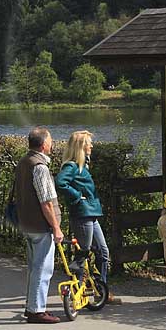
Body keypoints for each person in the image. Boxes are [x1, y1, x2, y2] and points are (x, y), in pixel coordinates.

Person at [55, 130, 121, 305]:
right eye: (88, 143)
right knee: (83, 254)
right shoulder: (71, 166)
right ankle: (79, 290)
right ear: (80, 146)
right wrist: (76, 196)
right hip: (83, 215)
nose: (91, 145)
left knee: (103, 251)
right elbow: (60, 183)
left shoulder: (83, 165)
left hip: (90, 214)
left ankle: (101, 290)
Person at [14, 126, 63, 324]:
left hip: (26, 222)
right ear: (44, 145)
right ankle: (37, 310)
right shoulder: (40, 167)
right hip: (40, 225)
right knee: (43, 268)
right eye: (50, 140)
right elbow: (46, 202)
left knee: (34, 267)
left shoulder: (23, 162)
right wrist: (57, 227)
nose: (52, 143)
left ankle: (32, 305)